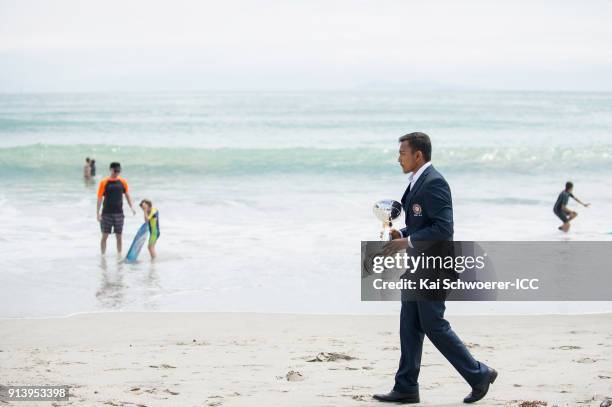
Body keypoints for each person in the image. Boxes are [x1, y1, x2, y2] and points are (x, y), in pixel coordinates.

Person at [374, 132, 497, 404]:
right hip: (418, 264)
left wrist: (409, 241)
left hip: (435, 266)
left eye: (402, 153)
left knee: (433, 325)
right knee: (409, 325)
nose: (398, 159)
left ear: (418, 155)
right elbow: (422, 224)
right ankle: (406, 387)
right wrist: (402, 234)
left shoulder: (434, 182)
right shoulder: (417, 182)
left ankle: (479, 374)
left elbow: (444, 229)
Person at [96, 162, 135, 254]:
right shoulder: (104, 182)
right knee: (105, 236)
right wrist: (97, 213)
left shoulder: (123, 182)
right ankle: (103, 256)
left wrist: (132, 207)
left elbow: (127, 195)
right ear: (110, 170)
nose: (117, 173)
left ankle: (119, 255)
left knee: (119, 236)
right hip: (106, 214)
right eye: (115, 171)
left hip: (119, 213)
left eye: (118, 171)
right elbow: (99, 198)